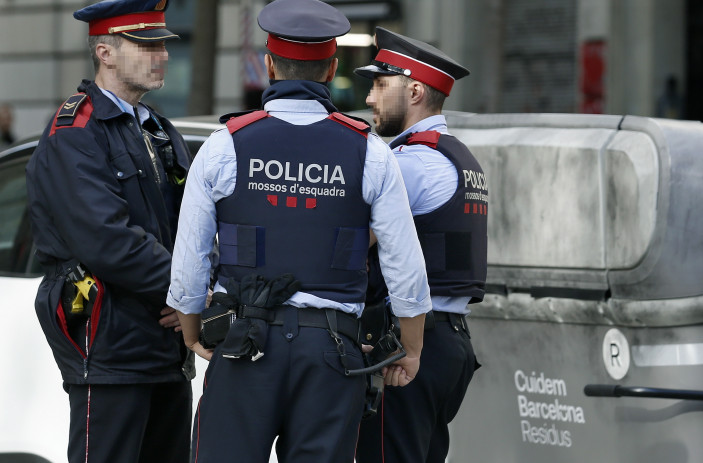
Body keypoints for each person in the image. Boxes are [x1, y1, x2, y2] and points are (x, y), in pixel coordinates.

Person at [166, 1, 431, 462]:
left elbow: (189, 262)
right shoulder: (370, 150)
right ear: (331, 69)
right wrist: (411, 349)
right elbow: (405, 266)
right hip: (332, 357)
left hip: (242, 347)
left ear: (269, 66)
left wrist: (191, 333)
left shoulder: (224, 144)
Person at [25, 1, 193, 462]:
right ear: (105, 52)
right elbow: (108, 240)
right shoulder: (76, 131)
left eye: (163, 44)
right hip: (108, 336)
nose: (161, 55)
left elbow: (194, 227)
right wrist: (189, 292)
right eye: (146, 45)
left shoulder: (157, 129)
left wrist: (194, 295)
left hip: (165, 338)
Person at [354, 27, 488, 463]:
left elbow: (350, 245)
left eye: (379, 84)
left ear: (413, 91)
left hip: (408, 346)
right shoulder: (456, 156)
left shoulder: (407, 165)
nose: (370, 98)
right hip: (450, 344)